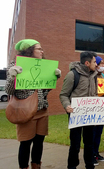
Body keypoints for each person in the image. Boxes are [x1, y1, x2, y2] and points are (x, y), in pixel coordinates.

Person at [5, 39, 61, 169]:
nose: (42, 51)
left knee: (39, 141)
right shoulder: (16, 65)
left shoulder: (43, 66)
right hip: (25, 111)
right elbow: (9, 91)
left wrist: (53, 78)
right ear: (29, 50)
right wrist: (12, 76)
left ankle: (37, 166)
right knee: (25, 143)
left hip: (42, 110)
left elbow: (45, 90)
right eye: (39, 49)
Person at [59, 51, 98, 169]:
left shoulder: (94, 75)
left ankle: (90, 165)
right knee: (75, 144)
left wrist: (103, 106)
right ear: (87, 63)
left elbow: (94, 95)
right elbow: (63, 95)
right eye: (94, 62)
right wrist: (67, 106)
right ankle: (72, 166)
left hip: (90, 115)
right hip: (75, 115)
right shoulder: (72, 75)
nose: (96, 64)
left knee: (89, 143)